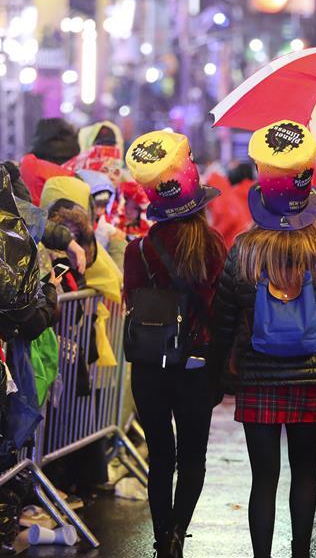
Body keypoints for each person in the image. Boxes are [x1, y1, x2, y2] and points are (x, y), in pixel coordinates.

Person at [213, 121, 316, 558]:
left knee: (263, 480)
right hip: (310, 379)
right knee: (306, 474)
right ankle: (302, 554)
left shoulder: (245, 248)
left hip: (257, 377)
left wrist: (220, 373)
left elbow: (224, 316)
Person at [122, 131, 226, 558]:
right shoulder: (213, 247)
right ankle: (177, 534)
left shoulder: (138, 251)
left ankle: (160, 533)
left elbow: (132, 301)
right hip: (196, 365)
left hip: (149, 366)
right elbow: (220, 310)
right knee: (192, 457)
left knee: (160, 455)